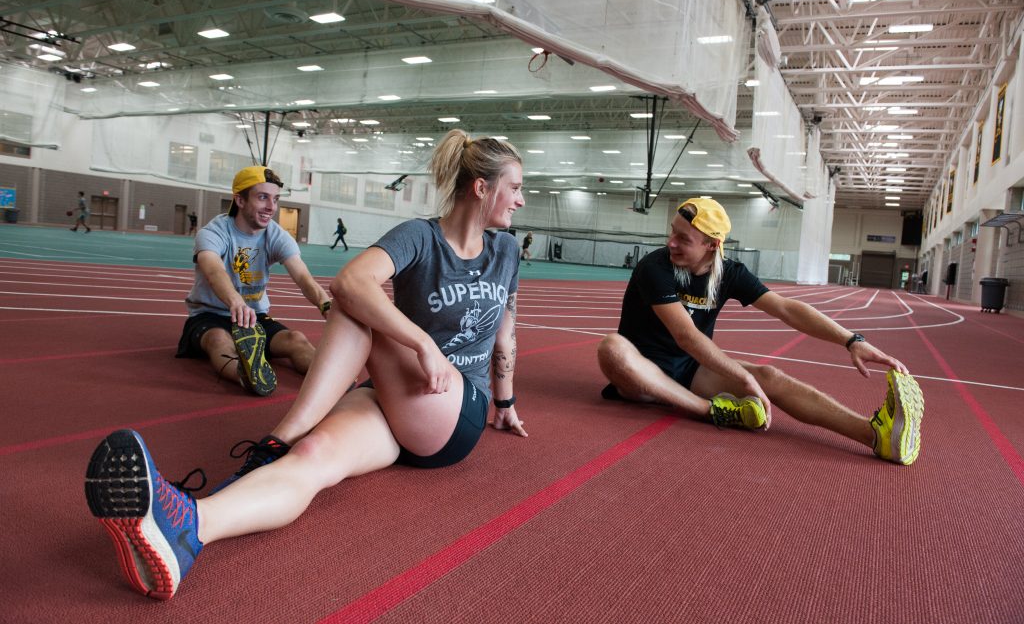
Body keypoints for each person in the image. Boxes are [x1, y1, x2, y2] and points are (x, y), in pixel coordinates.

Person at [84, 130, 529, 600]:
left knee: (356, 308)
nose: (520, 200)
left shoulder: (505, 251)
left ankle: (280, 435)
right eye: (515, 187)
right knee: (313, 458)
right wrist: (423, 343)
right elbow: (351, 281)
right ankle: (192, 529)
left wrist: (505, 401)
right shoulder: (419, 237)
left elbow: (506, 331)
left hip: (454, 409)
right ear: (481, 187)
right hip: (392, 400)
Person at [597, 197, 924, 465]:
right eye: (672, 232)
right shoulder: (654, 268)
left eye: (684, 238)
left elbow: (785, 307)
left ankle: (876, 435)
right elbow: (686, 336)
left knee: (771, 376)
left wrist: (851, 339)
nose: (671, 243)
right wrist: (742, 379)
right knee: (612, 348)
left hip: (688, 370)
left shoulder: (729, 274)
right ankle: (713, 411)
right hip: (640, 370)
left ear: (712, 245)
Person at [174, 166, 330, 396]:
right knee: (219, 340)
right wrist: (235, 302)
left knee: (296, 339)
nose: (271, 207)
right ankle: (245, 375)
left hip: (255, 318)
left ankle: (331, 377)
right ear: (240, 200)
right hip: (210, 315)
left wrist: (325, 304)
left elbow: (302, 276)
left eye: (275, 199)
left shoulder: (276, 235)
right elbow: (214, 271)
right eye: (262, 197)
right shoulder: (213, 232)